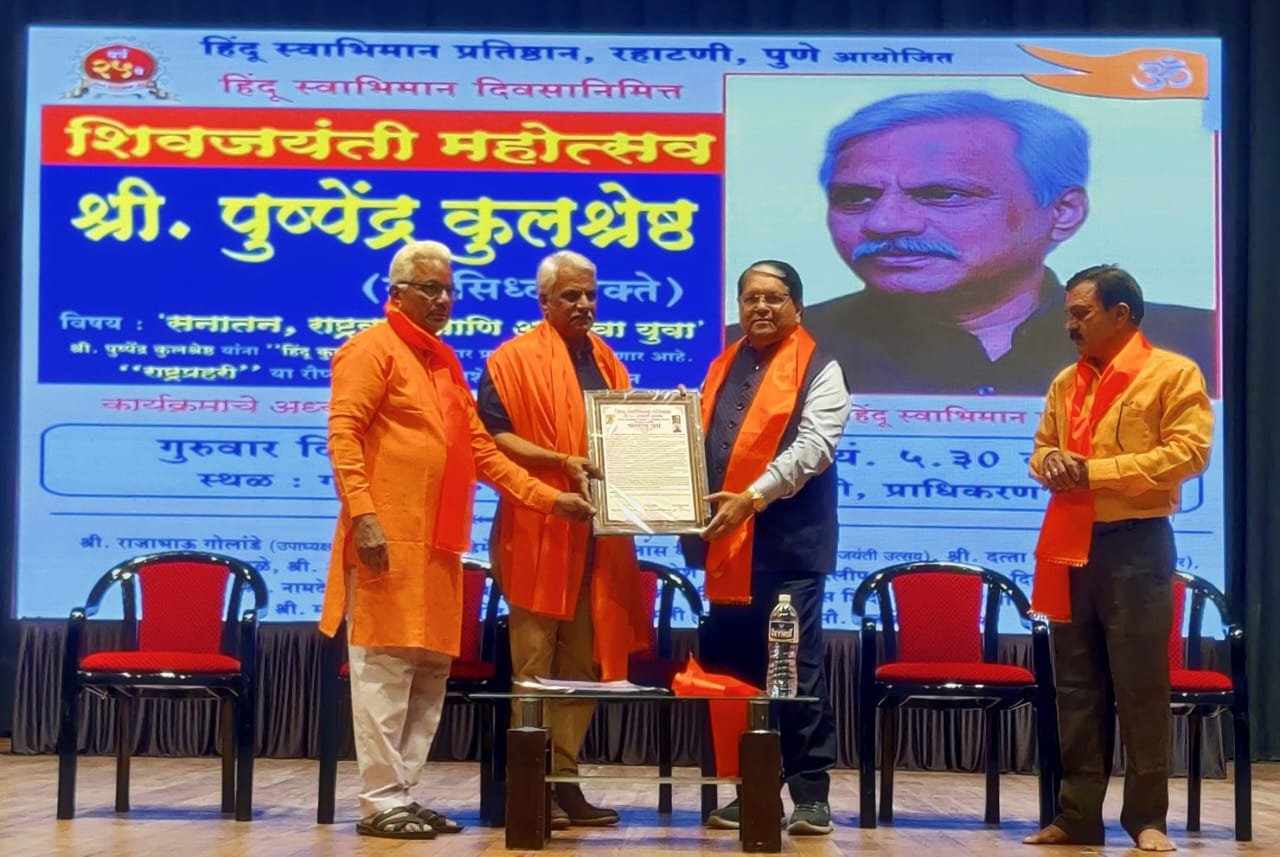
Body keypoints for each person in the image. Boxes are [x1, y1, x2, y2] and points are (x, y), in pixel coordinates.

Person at [318, 240, 595, 840]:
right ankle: (379, 800)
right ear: (396, 293)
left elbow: (483, 454)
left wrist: (550, 499)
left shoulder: (441, 363)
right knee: (385, 670)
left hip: (439, 547)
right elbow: (343, 437)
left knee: (427, 674)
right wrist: (363, 515)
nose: (443, 299)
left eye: (448, 289)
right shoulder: (370, 350)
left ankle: (402, 793)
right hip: (386, 541)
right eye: (430, 289)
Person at [782, 90, 1216, 396]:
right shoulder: (774, 350)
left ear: (1062, 212)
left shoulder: (1202, 345)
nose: (885, 222)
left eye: (942, 194)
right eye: (855, 197)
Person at [1024, 264, 1213, 852]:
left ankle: (1147, 819)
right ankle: (1077, 816)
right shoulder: (1067, 381)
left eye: (1081, 314)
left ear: (1120, 314)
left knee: (1140, 684)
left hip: (1136, 542)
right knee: (1076, 686)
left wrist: (1095, 471)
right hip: (1070, 539)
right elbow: (1041, 449)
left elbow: (1189, 453)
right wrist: (1050, 462)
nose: (1071, 325)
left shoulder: (1172, 373)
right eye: (1069, 315)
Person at [477, 250, 651, 829]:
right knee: (533, 665)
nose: (583, 304)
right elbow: (493, 439)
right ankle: (529, 791)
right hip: (537, 529)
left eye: (590, 295)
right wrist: (559, 461)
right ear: (544, 301)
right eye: (571, 296)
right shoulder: (510, 360)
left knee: (583, 665)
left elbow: (624, 443)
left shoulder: (608, 362)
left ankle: (565, 781)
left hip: (599, 537)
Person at [683, 259, 851, 836]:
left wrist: (752, 498)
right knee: (734, 675)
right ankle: (752, 791)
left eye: (774, 297)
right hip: (726, 548)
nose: (760, 307)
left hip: (787, 550)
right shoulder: (721, 366)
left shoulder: (821, 368)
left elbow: (814, 448)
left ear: (797, 307)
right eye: (750, 297)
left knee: (792, 670)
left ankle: (810, 795)